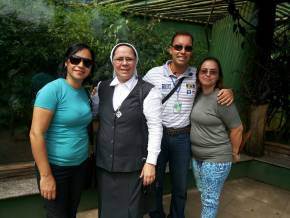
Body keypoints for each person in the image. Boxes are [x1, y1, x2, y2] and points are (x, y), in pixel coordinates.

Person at [143, 32, 233, 218]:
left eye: (187, 48)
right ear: (170, 49)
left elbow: (213, 88)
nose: (182, 51)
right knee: (155, 183)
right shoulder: (153, 74)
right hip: (158, 137)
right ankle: (156, 215)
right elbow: (136, 95)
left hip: (183, 138)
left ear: (191, 52)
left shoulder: (196, 75)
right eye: (178, 47)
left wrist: (230, 91)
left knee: (180, 186)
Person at [92, 42, 163, 218]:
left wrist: (151, 163)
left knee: (130, 213)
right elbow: (95, 115)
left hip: (133, 168)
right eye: (119, 59)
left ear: (136, 62)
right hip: (105, 167)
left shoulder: (147, 90)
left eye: (129, 59)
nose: (124, 63)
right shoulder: (102, 87)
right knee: (107, 212)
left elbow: (155, 128)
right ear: (112, 62)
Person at [29, 43, 95, 218]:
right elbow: (36, 134)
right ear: (66, 62)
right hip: (56, 168)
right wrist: (46, 176)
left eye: (87, 63)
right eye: (75, 59)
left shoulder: (84, 93)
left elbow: (82, 125)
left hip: (79, 166)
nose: (80, 65)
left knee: (71, 213)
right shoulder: (52, 90)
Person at [190, 57, 243, 218]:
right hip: (198, 158)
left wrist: (234, 152)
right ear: (198, 73)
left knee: (209, 201)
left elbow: (237, 128)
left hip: (216, 159)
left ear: (218, 76)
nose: (208, 74)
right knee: (204, 194)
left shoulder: (222, 98)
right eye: (204, 71)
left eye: (213, 72)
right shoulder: (197, 95)